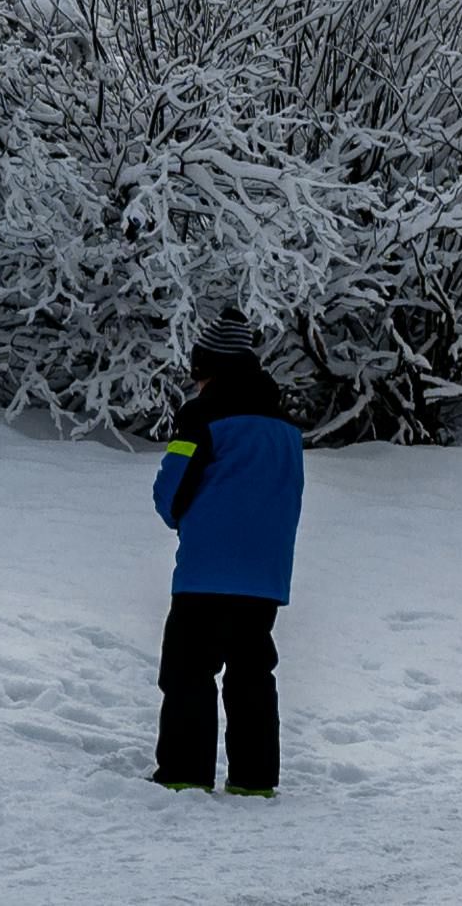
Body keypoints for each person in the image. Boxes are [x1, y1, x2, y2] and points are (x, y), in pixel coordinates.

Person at [148, 314, 304, 796]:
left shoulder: (202, 416)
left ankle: (183, 774)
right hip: (265, 577)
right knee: (253, 675)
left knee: (188, 672)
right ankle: (254, 781)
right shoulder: (286, 427)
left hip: (206, 573)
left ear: (207, 367)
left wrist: (182, 521)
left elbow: (170, 490)